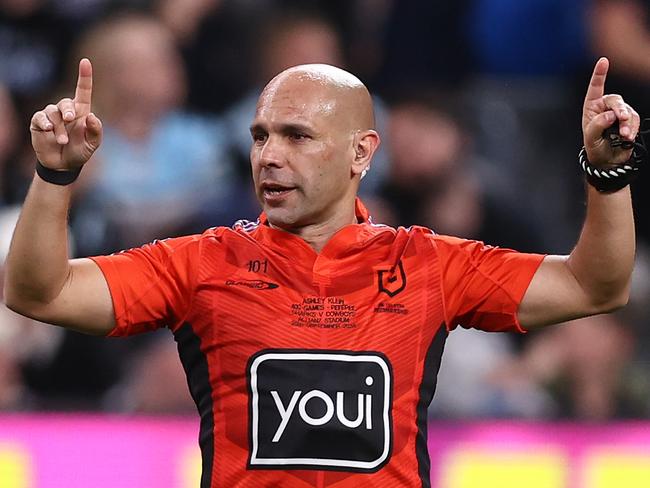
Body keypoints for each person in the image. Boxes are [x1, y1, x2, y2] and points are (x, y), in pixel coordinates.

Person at [3, 57, 640, 487]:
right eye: (260, 137)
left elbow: (595, 284)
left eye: (296, 137)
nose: (269, 156)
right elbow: (41, 292)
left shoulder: (428, 264)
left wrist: (607, 175)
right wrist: (56, 175)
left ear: (362, 152)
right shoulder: (200, 263)